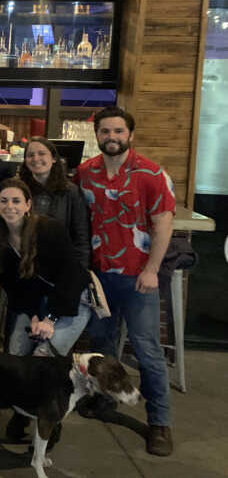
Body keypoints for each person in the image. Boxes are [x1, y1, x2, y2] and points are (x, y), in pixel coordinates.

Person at [74, 106, 176, 457]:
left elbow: (163, 223)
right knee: (103, 345)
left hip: (137, 278)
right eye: (105, 131)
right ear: (97, 135)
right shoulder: (85, 173)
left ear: (130, 135)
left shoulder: (151, 174)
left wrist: (152, 269)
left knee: (147, 350)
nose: (112, 137)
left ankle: (160, 422)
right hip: (100, 277)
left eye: (118, 131)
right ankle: (105, 399)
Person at [0, 178, 91, 442]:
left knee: (44, 356)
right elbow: (15, 288)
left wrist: (50, 318)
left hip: (71, 301)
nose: (10, 206)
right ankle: (23, 413)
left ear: (28, 204)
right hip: (35, 303)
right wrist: (32, 314)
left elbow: (71, 277)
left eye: (16, 200)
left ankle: (50, 422)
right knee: (17, 356)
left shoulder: (49, 230)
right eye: (4, 201)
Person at [18, 136, 91, 269]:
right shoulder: (17, 190)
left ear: (54, 158)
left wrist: (81, 270)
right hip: (24, 264)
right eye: (30, 155)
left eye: (41, 154)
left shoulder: (71, 192)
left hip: (61, 264)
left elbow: (81, 236)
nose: (35, 159)